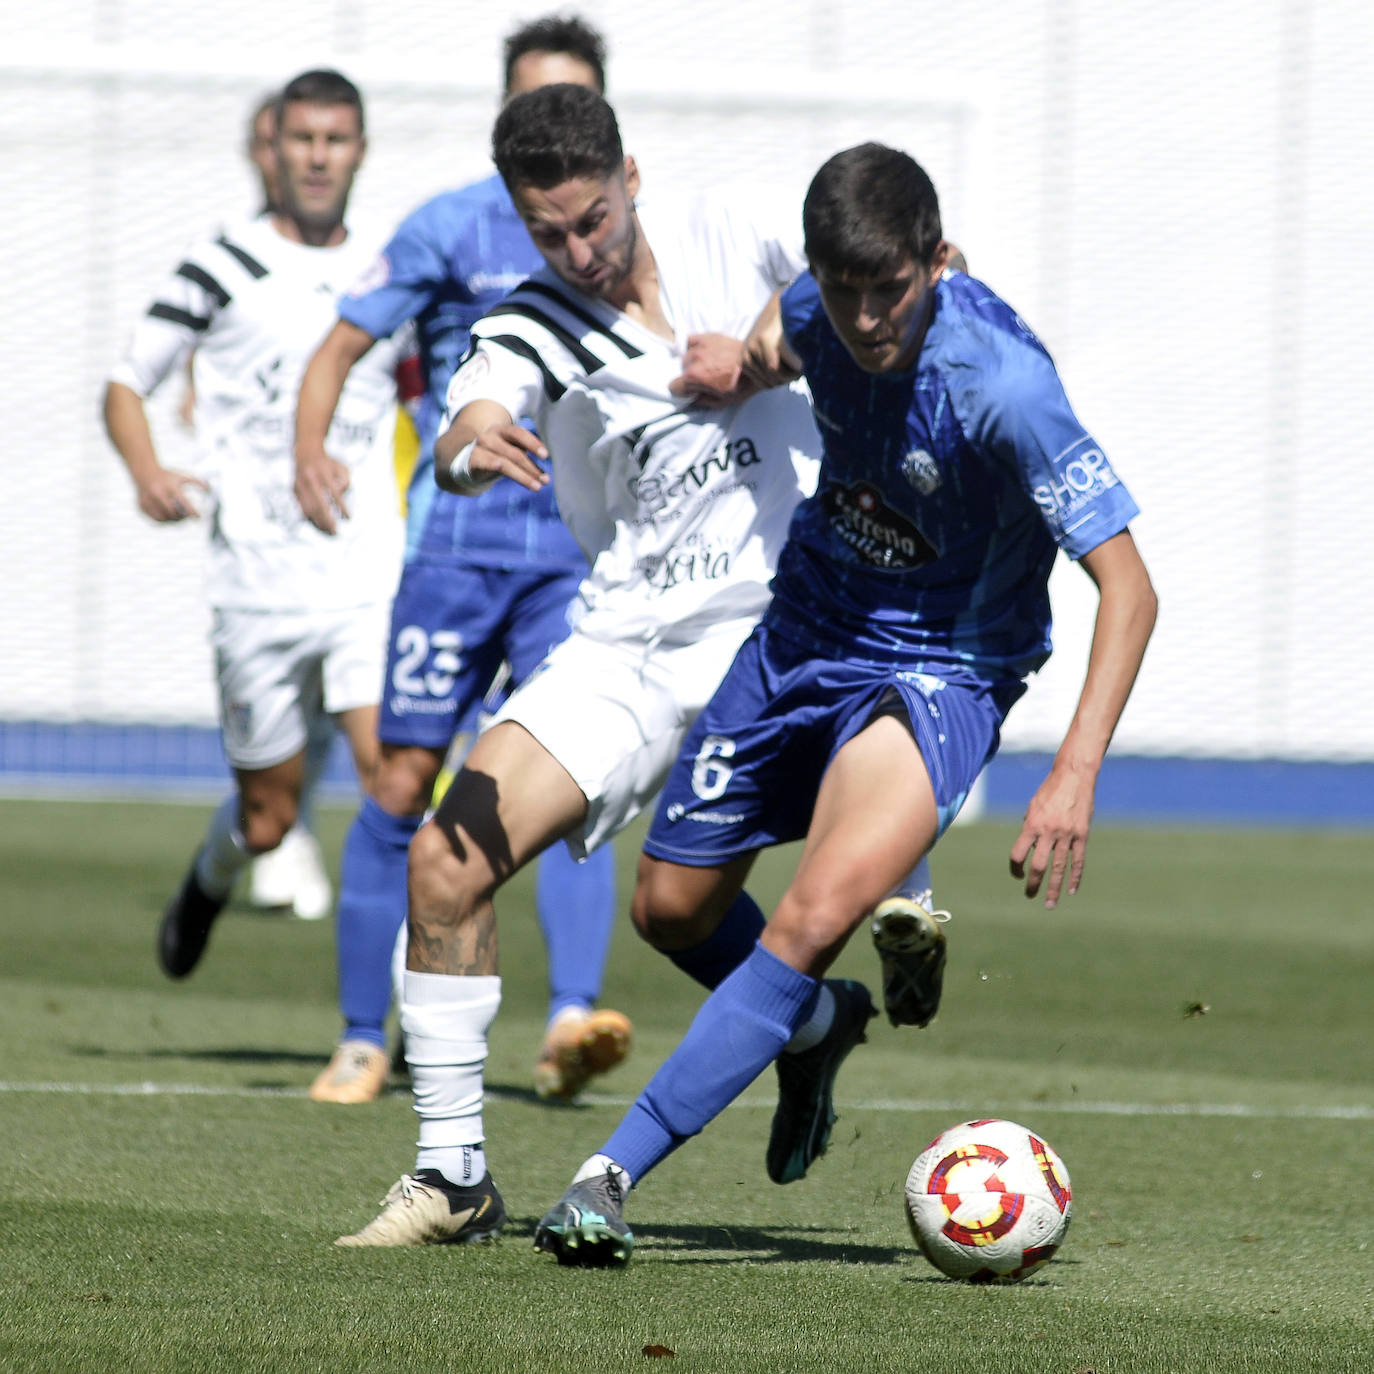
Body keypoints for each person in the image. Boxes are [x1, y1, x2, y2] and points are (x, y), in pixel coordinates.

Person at [533, 142, 1158, 1267]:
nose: (868, 317)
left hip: (939, 666)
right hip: (807, 628)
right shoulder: (818, 310)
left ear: (937, 260)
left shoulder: (1003, 388)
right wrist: (747, 365)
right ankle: (818, 1028)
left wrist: (1073, 772)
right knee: (670, 907)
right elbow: (782, 328)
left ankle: (604, 1177)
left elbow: (1130, 586)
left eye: (894, 290)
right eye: (846, 287)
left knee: (809, 918)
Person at [331, 83, 824, 1247]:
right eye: (548, 229)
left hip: (786, 629)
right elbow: (475, 403)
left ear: (632, 177)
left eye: (593, 218)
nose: (579, 249)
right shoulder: (540, 315)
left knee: (682, 910)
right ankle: (452, 1177)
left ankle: (853, 970)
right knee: (446, 861)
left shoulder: (737, 225)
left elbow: (866, 291)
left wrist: (757, 357)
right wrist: (464, 444)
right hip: (629, 641)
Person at [293, 15, 631, 1107]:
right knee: (399, 781)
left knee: (573, 783)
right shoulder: (447, 227)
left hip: (574, 563)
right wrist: (311, 450)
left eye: (572, 105)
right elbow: (344, 344)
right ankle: (360, 1035)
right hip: (456, 553)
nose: (553, 128)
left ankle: (570, 1020)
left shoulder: (626, 243)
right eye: (534, 104)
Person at [103, 69, 409, 980]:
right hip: (256, 587)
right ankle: (212, 874)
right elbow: (126, 383)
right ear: (272, 149)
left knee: (393, 785)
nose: (318, 157)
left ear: (359, 149)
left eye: (336, 140)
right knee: (270, 816)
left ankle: (409, 1015)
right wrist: (149, 471)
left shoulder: (392, 268)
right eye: (302, 139)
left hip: (366, 574)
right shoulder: (221, 264)